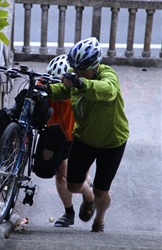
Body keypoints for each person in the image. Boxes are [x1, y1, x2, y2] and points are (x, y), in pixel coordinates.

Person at [47, 37, 129, 232]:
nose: (77, 74)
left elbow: (107, 90)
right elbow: (63, 90)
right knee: (73, 186)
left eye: (82, 72)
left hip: (112, 141)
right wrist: (46, 90)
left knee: (102, 190)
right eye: (75, 71)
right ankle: (88, 197)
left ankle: (99, 219)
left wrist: (81, 83)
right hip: (84, 139)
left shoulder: (108, 75)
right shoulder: (76, 78)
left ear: (95, 67)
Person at [44, 54, 92, 227]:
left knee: (74, 179)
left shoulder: (76, 93)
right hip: (57, 136)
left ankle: (89, 196)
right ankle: (69, 212)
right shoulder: (46, 87)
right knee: (62, 177)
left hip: (78, 136)